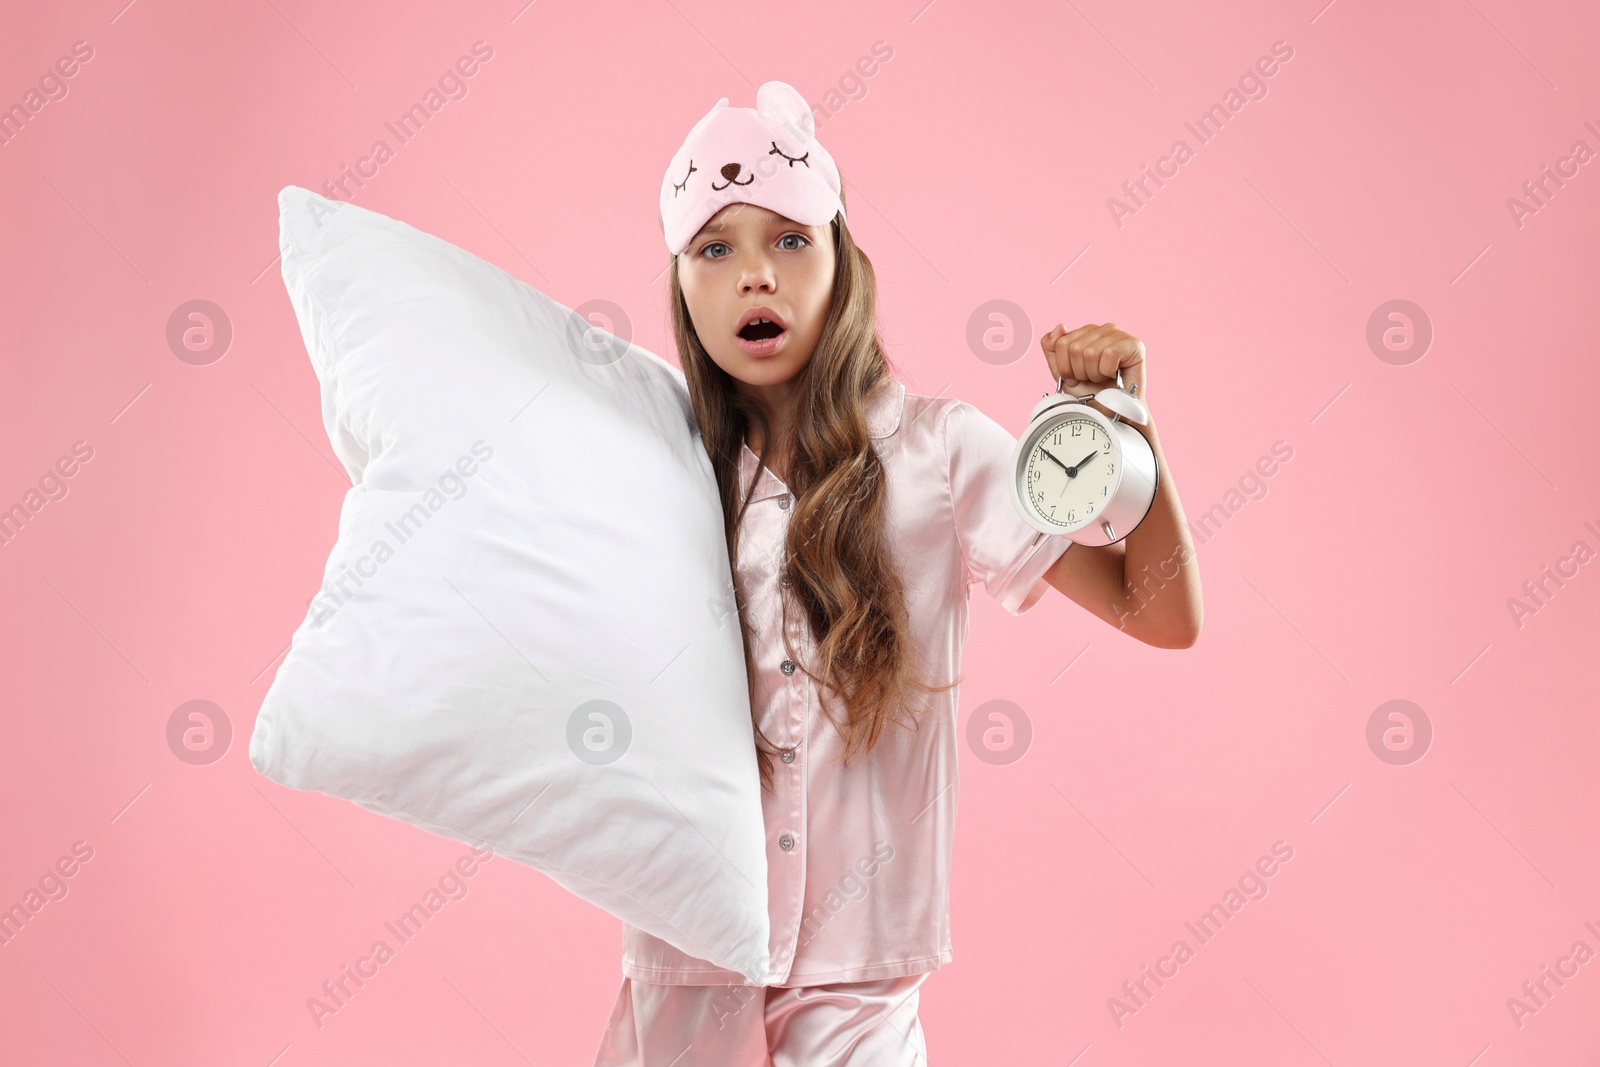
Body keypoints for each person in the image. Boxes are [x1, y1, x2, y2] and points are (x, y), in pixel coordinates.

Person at [593, 80, 1203, 1067]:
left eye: (790, 239)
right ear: (682, 286)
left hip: (861, 971)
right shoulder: (654, 465)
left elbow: (1160, 608)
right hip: (685, 955)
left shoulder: (936, 450)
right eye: (717, 247)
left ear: (842, 262)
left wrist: (1125, 427)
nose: (758, 276)